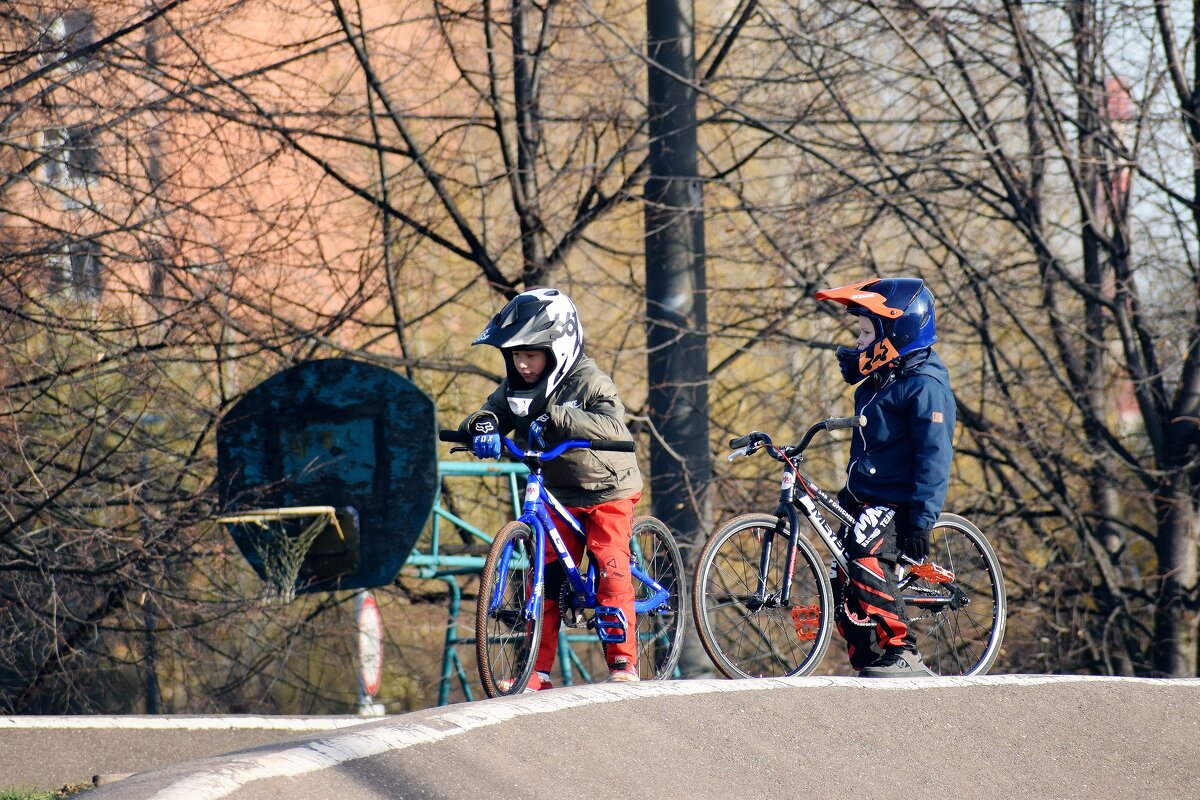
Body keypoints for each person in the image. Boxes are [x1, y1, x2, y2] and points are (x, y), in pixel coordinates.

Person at [459, 287, 644, 690]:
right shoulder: (516, 386)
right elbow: (489, 411)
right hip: (559, 494)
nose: (523, 364)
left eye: (531, 354)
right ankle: (536, 673)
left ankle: (624, 662)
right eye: (515, 356)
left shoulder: (590, 381)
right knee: (544, 577)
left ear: (558, 348)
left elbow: (614, 426)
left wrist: (560, 417)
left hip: (606, 489)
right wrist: (482, 427)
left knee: (610, 565)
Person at [814, 277, 956, 678]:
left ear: (897, 333)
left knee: (864, 550)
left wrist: (922, 520)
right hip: (862, 495)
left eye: (865, 333)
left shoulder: (925, 385)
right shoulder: (880, 379)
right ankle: (872, 656)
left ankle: (901, 649)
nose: (858, 343)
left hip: (896, 501)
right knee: (841, 567)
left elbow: (935, 455)